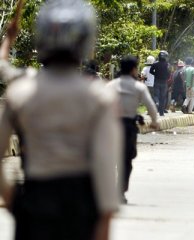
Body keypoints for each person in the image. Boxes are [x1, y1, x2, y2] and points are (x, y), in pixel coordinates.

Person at [0, 1, 121, 240]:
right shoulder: (99, 97)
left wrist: (13, 199)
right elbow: (106, 169)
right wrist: (105, 222)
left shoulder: (21, 93)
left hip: (34, 200)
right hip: (82, 205)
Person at [106, 56, 159, 203]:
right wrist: (154, 122)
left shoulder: (111, 86)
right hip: (129, 127)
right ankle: (120, 191)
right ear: (133, 69)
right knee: (126, 160)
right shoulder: (139, 87)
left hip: (111, 127)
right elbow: (151, 106)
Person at [150, 51, 170, 116]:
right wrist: (166, 77)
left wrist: (156, 74)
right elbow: (169, 74)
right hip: (164, 83)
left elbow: (151, 71)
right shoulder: (168, 64)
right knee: (163, 97)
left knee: (156, 95)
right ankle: (161, 113)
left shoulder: (155, 64)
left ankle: (156, 102)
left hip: (156, 81)